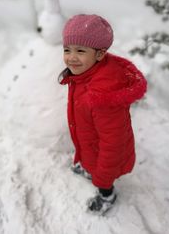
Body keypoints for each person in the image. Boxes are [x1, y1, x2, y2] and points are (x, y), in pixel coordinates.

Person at [59, 14, 147, 215]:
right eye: (67, 50)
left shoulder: (102, 94)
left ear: (99, 54)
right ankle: (90, 169)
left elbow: (113, 142)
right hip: (91, 145)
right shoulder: (86, 73)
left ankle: (107, 194)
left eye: (80, 51)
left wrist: (103, 176)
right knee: (92, 161)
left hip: (104, 154)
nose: (72, 57)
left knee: (103, 179)